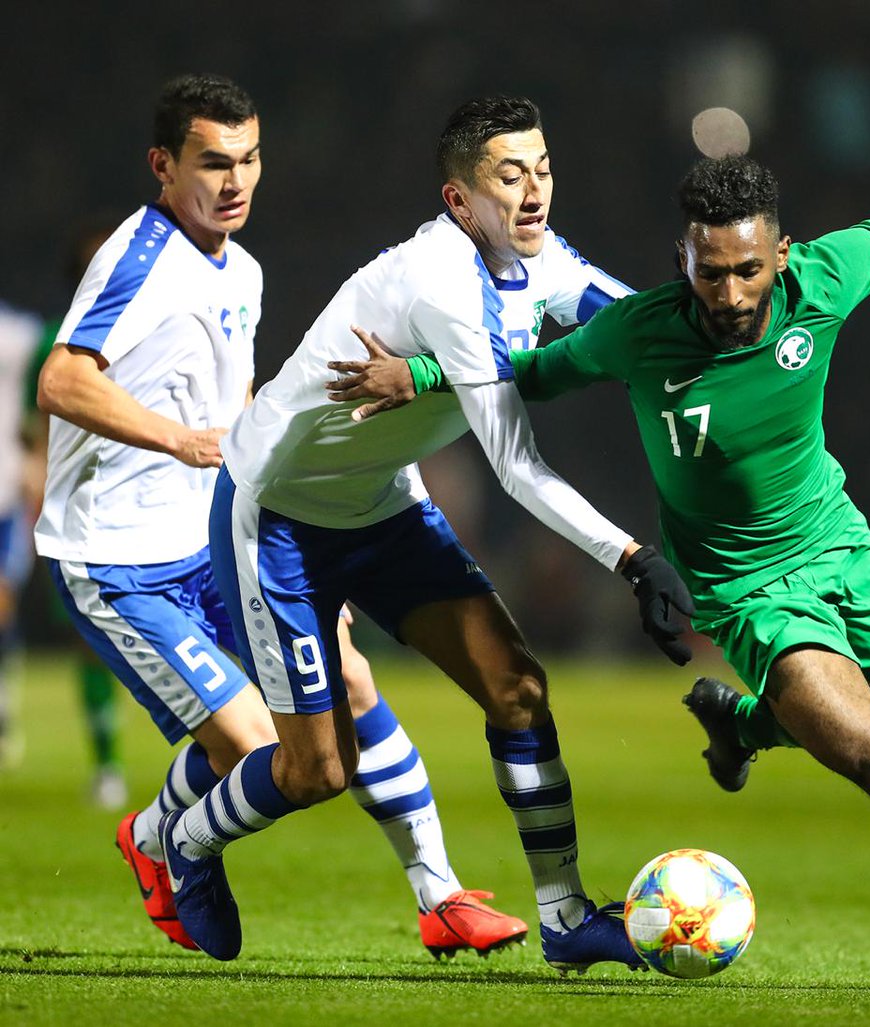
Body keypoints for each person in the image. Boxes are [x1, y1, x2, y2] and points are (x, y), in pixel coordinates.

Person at [355, 65, 870, 996]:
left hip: (840, 542)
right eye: (710, 272)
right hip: (747, 593)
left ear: (780, 254)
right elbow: (532, 374)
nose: (731, 293)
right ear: (682, 258)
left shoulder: (828, 275)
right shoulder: (640, 331)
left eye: (749, 270)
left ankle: (744, 725)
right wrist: (421, 376)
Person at [159, 94, 692, 970]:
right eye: (509, 176)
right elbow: (514, 464)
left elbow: (634, 325)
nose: (534, 191)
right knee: (315, 771)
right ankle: (185, 842)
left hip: (384, 505)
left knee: (517, 687)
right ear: (459, 199)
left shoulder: (540, 258)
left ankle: (564, 917)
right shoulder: (441, 282)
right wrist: (631, 557)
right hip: (279, 516)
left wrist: (726, 321)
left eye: (543, 169)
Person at [34, 74, 528, 961]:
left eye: (249, 159)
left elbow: (237, 405)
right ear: (163, 165)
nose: (236, 181)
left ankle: (441, 894)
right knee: (264, 750)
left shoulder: (244, 269)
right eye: (212, 163)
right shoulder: (137, 257)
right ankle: (156, 838)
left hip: (212, 539)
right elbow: (63, 380)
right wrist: (178, 439)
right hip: (116, 560)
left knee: (351, 684)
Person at [24, 216, 131, 809]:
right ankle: (107, 763)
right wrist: (38, 491)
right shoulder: (53, 343)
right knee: (88, 639)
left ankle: (231, 754)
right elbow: (34, 428)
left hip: (155, 502)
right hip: (80, 507)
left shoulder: (155, 327)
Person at [0, 301, 41, 769]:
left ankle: (4, 709)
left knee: (2, 603)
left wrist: (35, 462)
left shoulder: (20, 336)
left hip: (7, 493)